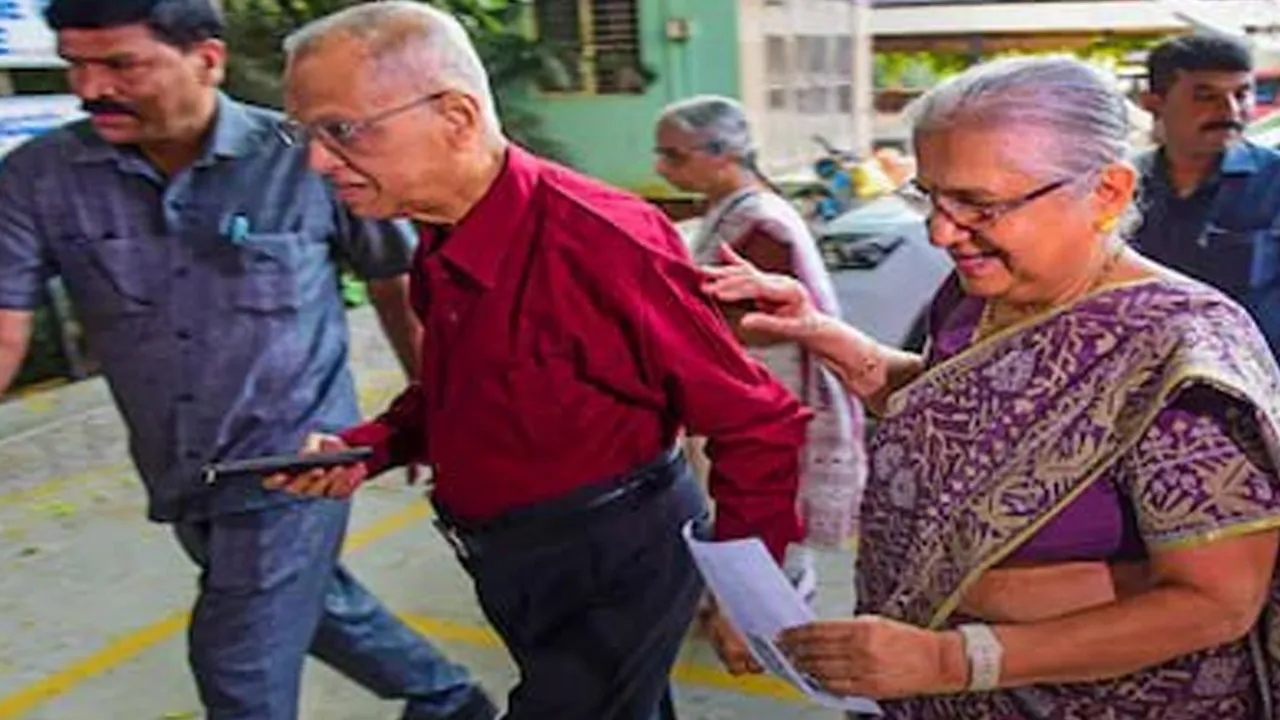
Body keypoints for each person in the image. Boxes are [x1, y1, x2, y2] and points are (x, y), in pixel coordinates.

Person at [266, 3, 811, 720]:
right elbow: (461, 390)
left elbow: (757, 419)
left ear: (456, 116)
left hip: (609, 561)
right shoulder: (439, 232)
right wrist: (368, 448)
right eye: (302, 133)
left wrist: (745, 587)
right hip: (517, 560)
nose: (315, 161)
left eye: (339, 130)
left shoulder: (601, 240)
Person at [702, 55, 1280, 717]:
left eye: (978, 204)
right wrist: (819, 330)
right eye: (931, 197)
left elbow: (1217, 603)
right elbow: (955, 408)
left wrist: (952, 660)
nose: (940, 232)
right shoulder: (984, 291)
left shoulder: (1181, 355)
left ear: (1108, 194)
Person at [0, 1, 493, 718]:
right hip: (176, 464)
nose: (90, 87)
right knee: (316, 604)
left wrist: (433, 413)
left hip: (297, 462)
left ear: (207, 59)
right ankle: (449, 701)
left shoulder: (310, 159)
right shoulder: (40, 178)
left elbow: (398, 286)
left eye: (120, 64)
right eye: (75, 64)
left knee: (236, 657)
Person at [653, 95, 867, 596]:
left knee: (773, 522)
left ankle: (772, 617)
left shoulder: (761, 221)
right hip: (749, 393)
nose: (661, 169)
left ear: (722, 152)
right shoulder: (733, 210)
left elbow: (751, 320)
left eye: (674, 156)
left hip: (771, 398)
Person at [1133, 33, 1280, 355]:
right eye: (1205, 96)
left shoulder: (1274, 182)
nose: (1229, 110)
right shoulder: (1120, 189)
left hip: (1256, 384)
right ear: (1153, 102)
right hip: (1148, 380)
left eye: (1242, 94)